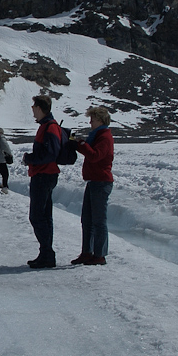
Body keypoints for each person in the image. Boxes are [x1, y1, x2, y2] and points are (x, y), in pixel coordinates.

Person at [22, 95, 63, 268]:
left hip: (43, 176)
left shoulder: (50, 127)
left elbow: (50, 153)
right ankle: (46, 253)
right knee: (44, 216)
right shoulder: (47, 126)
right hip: (45, 175)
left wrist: (30, 159)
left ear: (39, 108)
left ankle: (47, 253)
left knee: (37, 216)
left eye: (34, 106)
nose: (32, 109)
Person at [71, 106, 115, 266]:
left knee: (98, 220)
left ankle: (100, 255)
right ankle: (87, 252)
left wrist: (81, 144)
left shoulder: (105, 137)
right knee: (87, 219)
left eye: (93, 119)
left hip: (101, 182)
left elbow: (95, 155)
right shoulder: (97, 136)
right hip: (94, 181)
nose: (90, 122)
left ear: (101, 120)